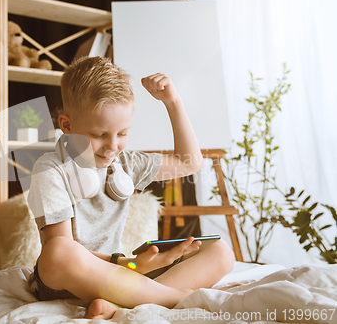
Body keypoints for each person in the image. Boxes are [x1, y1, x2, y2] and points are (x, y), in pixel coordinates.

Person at [26, 56, 235, 320]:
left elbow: (190, 163)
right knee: (57, 252)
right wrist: (126, 264)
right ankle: (180, 298)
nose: (112, 146)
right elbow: (63, 249)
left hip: (122, 273)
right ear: (67, 126)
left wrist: (173, 103)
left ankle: (121, 305)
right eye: (99, 135)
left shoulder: (126, 162)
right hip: (69, 280)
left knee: (221, 253)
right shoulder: (49, 169)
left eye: (122, 133)